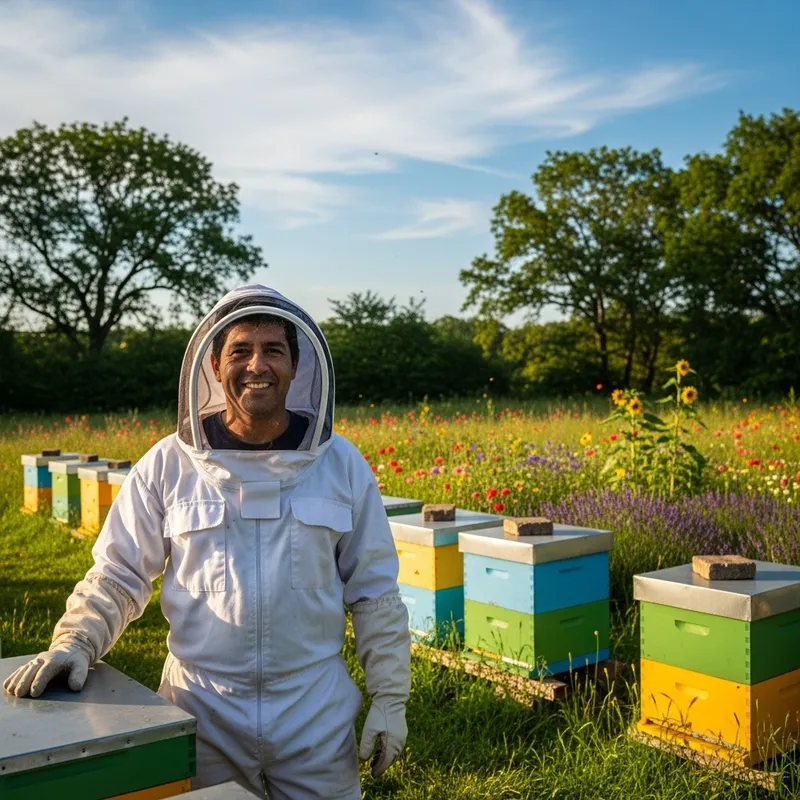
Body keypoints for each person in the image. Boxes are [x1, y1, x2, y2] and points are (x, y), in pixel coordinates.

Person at [3, 285, 412, 799]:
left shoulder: (341, 464)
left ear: (297, 366)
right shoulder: (168, 464)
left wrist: (391, 696)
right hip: (202, 706)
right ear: (215, 367)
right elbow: (117, 573)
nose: (257, 365)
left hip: (314, 710)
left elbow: (375, 590)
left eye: (273, 351)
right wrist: (76, 641)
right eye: (240, 350)